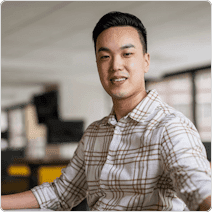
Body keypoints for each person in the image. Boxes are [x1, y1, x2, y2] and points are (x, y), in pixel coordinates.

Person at [2, 11, 211, 211]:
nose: (115, 65)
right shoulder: (94, 133)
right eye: (105, 57)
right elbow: (62, 192)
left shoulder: (170, 126)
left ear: (146, 61)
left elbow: (197, 186)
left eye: (127, 54)